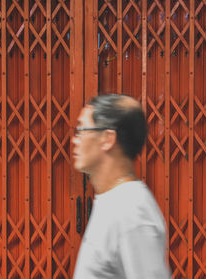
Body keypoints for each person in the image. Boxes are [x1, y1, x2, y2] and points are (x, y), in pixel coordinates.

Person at [72, 94, 171, 279]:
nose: (75, 140)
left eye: (81, 130)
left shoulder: (131, 211)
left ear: (107, 139)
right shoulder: (113, 200)